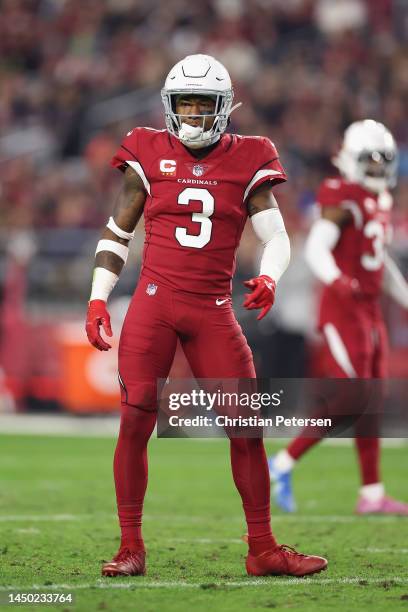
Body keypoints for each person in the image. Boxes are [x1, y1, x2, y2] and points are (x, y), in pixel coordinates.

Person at [85, 54, 327, 577]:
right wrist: (98, 296)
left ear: (224, 108)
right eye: (185, 105)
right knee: (135, 420)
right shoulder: (146, 150)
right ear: (170, 107)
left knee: (246, 427)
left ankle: (262, 549)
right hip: (155, 301)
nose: (194, 116)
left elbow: (278, 237)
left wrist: (269, 276)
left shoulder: (251, 157)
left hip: (214, 308)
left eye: (204, 105)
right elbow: (116, 233)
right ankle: (131, 547)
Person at [269, 120, 408, 515]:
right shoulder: (341, 194)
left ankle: (372, 493)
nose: (378, 168)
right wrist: (340, 282)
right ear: (351, 158)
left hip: (368, 312)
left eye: (384, 161)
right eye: (371, 159)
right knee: (353, 396)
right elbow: (316, 249)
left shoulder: (378, 201)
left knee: (372, 402)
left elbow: (381, 265)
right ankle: (281, 463)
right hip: (342, 311)